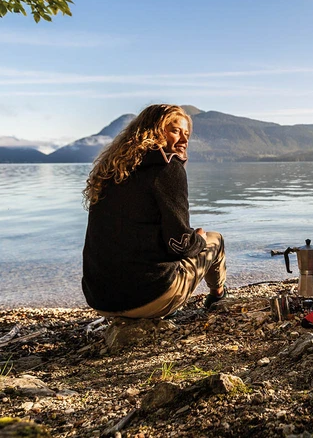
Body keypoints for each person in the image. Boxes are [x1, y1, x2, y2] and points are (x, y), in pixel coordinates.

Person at [81, 104, 227, 319]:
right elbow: (180, 244)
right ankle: (218, 297)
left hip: (100, 300)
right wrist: (199, 240)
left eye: (186, 134)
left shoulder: (109, 170)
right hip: (149, 300)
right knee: (215, 240)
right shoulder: (167, 167)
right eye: (176, 131)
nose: (184, 140)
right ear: (154, 131)